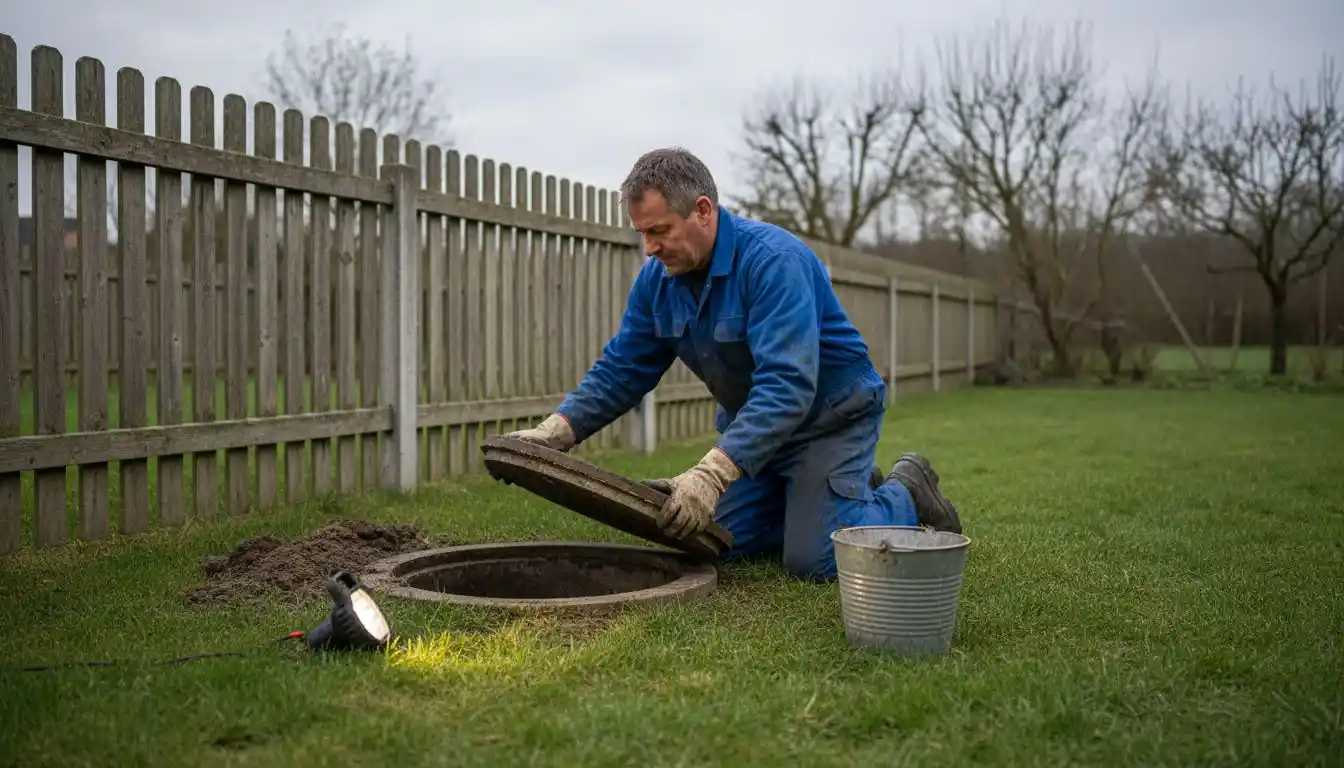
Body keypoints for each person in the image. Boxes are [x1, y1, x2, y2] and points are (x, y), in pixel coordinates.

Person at [505, 147, 961, 582]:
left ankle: (904, 489)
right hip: (761, 438)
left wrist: (711, 473)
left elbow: (787, 386)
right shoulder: (658, 282)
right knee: (702, 537)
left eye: (659, 230)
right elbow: (623, 367)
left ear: (703, 210)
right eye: (642, 233)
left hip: (830, 422)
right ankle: (829, 497)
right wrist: (556, 430)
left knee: (814, 559)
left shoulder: (774, 262)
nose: (649, 248)